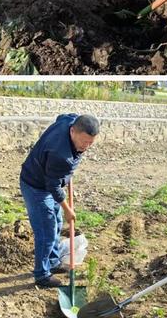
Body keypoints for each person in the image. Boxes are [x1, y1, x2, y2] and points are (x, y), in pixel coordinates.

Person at [19, 113, 99, 288]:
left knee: (56, 221)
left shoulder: (69, 121)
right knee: (46, 231)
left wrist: (67, 177)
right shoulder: (61, 155)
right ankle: (42, 275)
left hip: (47, 179)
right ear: (72, 132)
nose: (86, 147)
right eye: (84, 141)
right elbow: (53, 186)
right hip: (36, 187)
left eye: (90, 143)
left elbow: (61, 116)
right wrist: (68, 209)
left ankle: (54, 261)